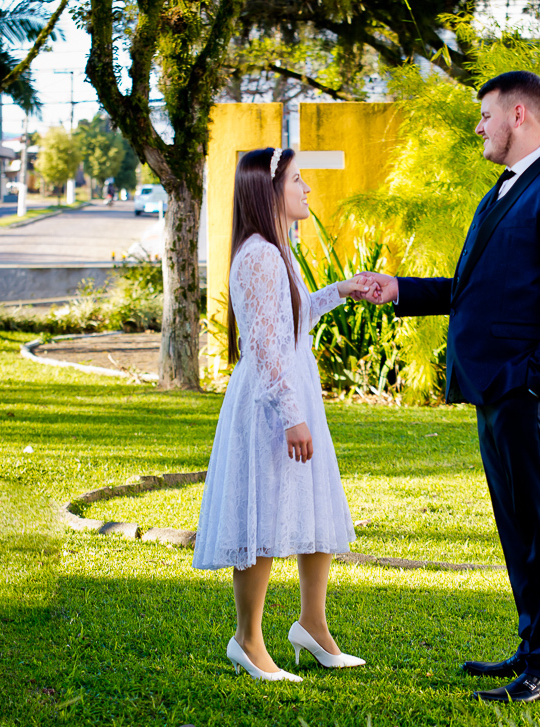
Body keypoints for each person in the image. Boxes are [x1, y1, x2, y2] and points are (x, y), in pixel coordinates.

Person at [359, 71, 540, 702]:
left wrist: (537, 379)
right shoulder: (503, 190)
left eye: (486, 115)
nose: (479, 127)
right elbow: (475, 287)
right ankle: (531, 648)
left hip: (529, 390)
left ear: (518, 114)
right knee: (516, 524)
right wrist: (400, 290)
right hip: (495, 387)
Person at [192, 147, 377, 682]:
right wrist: (292, 415)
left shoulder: (278, 252)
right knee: (264, 511)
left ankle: (312, 626)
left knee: (312, 507)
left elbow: (292, 317)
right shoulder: (258, 256)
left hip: (294, 392)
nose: (307, 188)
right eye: (298, 179)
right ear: (269, 190)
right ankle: (248, 640)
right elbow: (264, 346)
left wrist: (340, 291)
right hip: (271, 404)